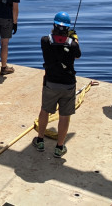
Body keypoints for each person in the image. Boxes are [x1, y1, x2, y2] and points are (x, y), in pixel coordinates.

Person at [32, 11, 81, 158]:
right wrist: (74, 39)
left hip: (50, 83)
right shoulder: (72, 45)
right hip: (68, 85)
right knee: (64, 116)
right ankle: (59, 147)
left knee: (45, 110)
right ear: (67, 28)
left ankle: (40, 141)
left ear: (54, 25)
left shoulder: (45, 40)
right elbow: (77, 55)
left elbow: (54, 40)